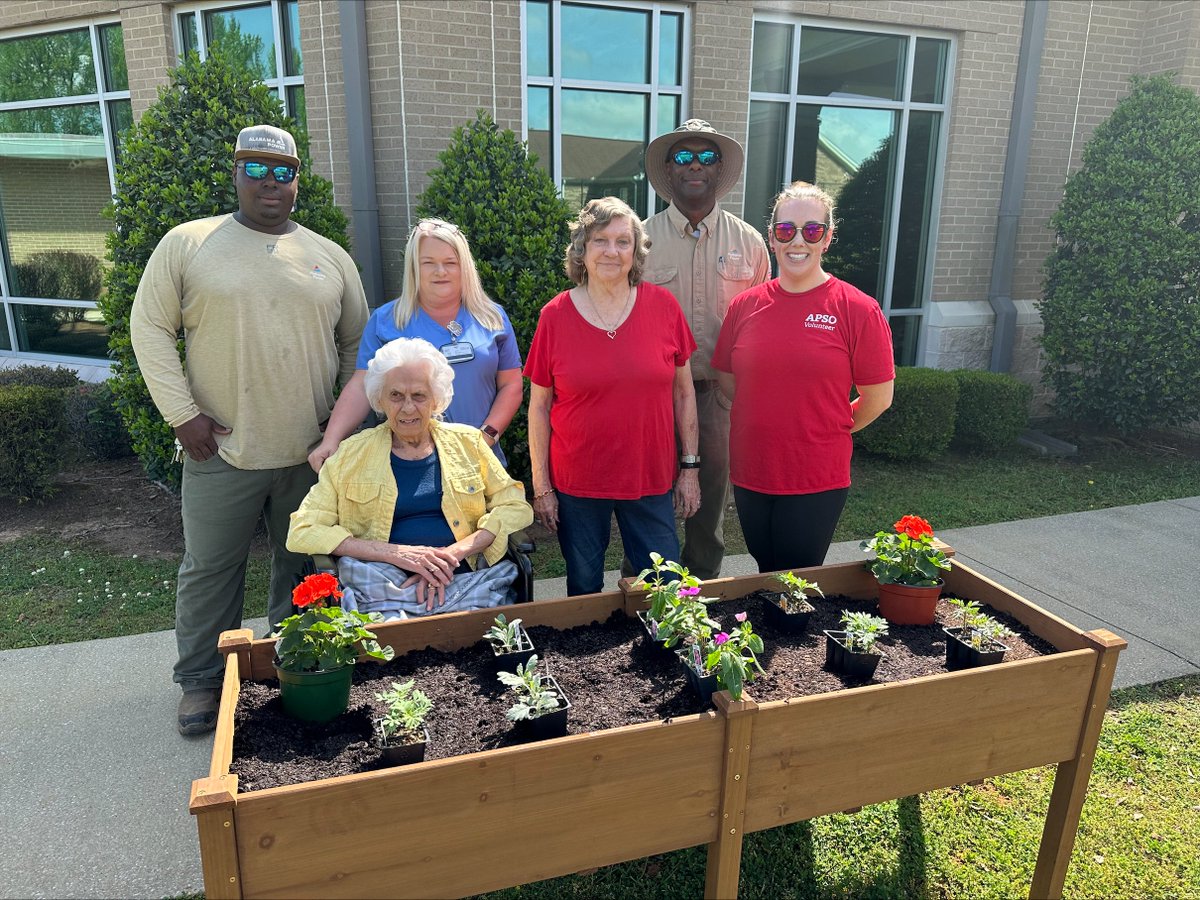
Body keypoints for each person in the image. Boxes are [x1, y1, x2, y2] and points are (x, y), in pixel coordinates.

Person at [130, 124, 369, 735]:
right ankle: (203, 682)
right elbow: (149, 328)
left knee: (303, 568)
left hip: (308, 457)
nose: (269, 182)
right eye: (255, 169)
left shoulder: (330, 256)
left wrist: (335, 427)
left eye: (282, 171)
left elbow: (356, 346)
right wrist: (182, 415)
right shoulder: (189, 244)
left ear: (298, 180)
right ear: (235, 173)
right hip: (221, 450)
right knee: (210, 569)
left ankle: (294, 664)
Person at [712, 181, 895, 573]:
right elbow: (728, 379)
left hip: (815, 476)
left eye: (812, 230)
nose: (798, 240)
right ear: (772, 238)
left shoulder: (857, 309)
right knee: (765, 573)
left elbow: (878, 397)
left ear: (827, 238)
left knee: (796, 582)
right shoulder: (745, 306)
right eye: (786, 230)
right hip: (751, 472)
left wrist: (830, 426)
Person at [525, 197, 700, 596]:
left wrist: (689, 469)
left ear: (635, 252)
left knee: (668, 585)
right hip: (578, 482)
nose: (611, 251)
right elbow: (538, 406)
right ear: (581, 250)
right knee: (584, 588)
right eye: (600, 240)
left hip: (650, 474)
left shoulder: (664, 307)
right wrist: (542, 488)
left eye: (623, 242)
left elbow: (684, 393)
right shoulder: (554, 316)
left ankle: (661, 653)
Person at [287, 338, 533, 616]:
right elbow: (303, 529)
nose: (407, 408)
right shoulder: (350, 455)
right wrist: (397, 554)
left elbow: (515, 506)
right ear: (379, 399)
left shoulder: (469, 443)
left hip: (463, 577)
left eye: (418, 395)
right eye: (395, 396)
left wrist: (449, 556)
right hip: (381, 582)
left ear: (436, 399)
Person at [641, 119, 770, 580]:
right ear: (669, 172)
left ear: (719, 170)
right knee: (648, 501)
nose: (694, 165)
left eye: (706, 157)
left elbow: (761, 326)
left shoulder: (750, 243)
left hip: (719, 396)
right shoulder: (639, 241)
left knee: (710, 502)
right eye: (682, 157)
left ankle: (700, 595)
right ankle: (646, 596)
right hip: (653, 396)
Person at [308, 218, 522, 471]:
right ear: (413, 268)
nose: (440, 271)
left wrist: (484, 438)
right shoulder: (386, 322)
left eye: (450, 263)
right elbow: (361, 385)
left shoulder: (492, 318)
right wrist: (332, 439)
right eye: (428, 263)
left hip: (478, 458)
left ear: (464, 266)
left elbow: (511, 385)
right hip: (408, 462)